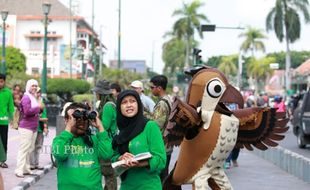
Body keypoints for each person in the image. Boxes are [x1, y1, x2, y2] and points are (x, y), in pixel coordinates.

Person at [112, 90, 166, 190]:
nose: (129, 105)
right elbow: (113, 157)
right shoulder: (119, 130)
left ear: (138, 104)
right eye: (124, 102)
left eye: (132, 101)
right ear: (119, 108)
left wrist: (141, 163)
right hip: (126, 186)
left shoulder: (150, 126)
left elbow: (161, 160)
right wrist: (120, 158)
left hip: (149, 185)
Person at [52, 102, 113, 190]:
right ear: (66, 120)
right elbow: (60, 154)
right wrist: (69, 127)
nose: (81, 122)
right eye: (76, 118)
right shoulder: (60, 140)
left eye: (84, 118)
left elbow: (107, 154)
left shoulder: (94, 140)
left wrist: (100, 127)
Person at [15, 79, 44, 177]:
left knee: (30, 148)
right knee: (24, 149)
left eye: (36, 86)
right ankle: (19, 170)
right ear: (28, 86)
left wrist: (39, 109)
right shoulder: (26, 97)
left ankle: (26, 168)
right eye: (33, 86)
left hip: (33, 127)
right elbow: (27, 112)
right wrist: (38, 107)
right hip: (26, 127)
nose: (35, 88)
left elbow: (37, 111)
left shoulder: (33, 97)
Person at [92, 80, 118, 190]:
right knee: (109, 175)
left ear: (101, 94)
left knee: (109, 174)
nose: (96, 95)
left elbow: (104, 126)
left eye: (97, 93)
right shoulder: (109, 104)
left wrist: (95, 120)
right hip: (109, 142)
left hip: (107, 144)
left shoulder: (108, 106)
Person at [149, 75, 173, 182]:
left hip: (161, 146)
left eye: (152, 87)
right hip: (167, 145)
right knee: (164, 176)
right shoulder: (168, 99)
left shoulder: (162, 104)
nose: (151, 89)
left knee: (160, 178)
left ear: (159, 88)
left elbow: (156, 126)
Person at [30, 87, 48, 170]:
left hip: (40, 128)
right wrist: (40, 118)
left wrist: (45, 127)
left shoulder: (42, 102)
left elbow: (44, 115)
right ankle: (31, 164)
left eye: (40, 92)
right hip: (33, 127)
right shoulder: (31, 102)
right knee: (32, 146)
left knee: (38, 146)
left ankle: (36, 163)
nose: (39, 94)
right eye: (37, 92)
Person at [0, 74, 15, 168]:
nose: (0, 83)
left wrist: (12, 119)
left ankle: (2, 160)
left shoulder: (8, 92)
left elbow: (11, 107)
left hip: (4, 121)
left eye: (1, 81)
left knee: (4, 141)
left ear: (4, 81)